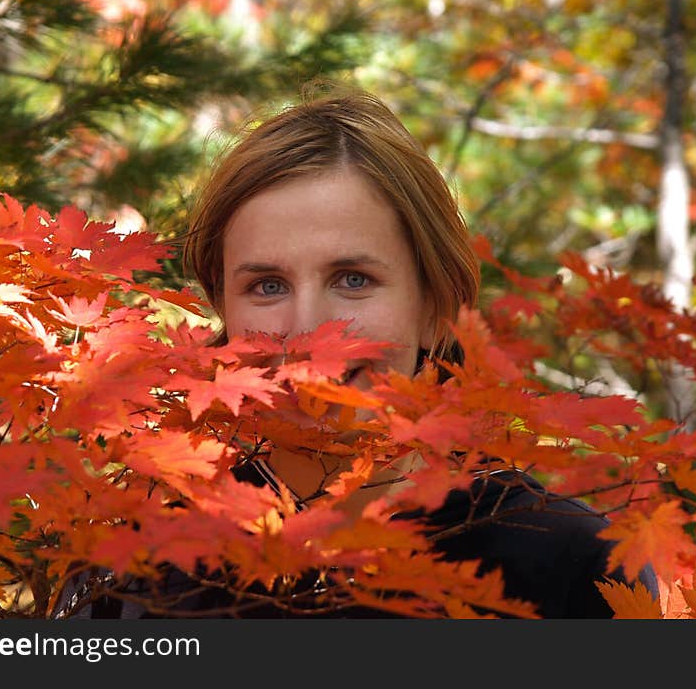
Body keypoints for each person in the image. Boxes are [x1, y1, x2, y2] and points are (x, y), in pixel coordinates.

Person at [56, 84, 657, 619]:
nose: (308, 329)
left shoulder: (572, 563)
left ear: (436, 309)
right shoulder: (133, 563)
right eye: (267, 286)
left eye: (353, 279)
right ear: (222, 313)